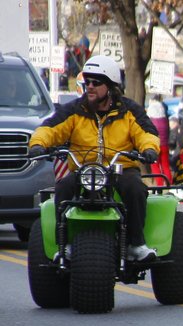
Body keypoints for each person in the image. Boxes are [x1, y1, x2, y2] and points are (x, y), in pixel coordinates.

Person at [28, 55, 160, 261]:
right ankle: (65, 245)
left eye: (96, 82)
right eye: (86, 81)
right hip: (83, 169)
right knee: (63, 187)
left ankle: (136, 244)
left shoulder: (129, 111)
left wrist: (149, 149)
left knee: (135, 188)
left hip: (120, 168)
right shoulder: (74, 110)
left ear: (110, 87)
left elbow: (147, 133)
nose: (89, 87)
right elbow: (49, 129)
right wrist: (38, 144)